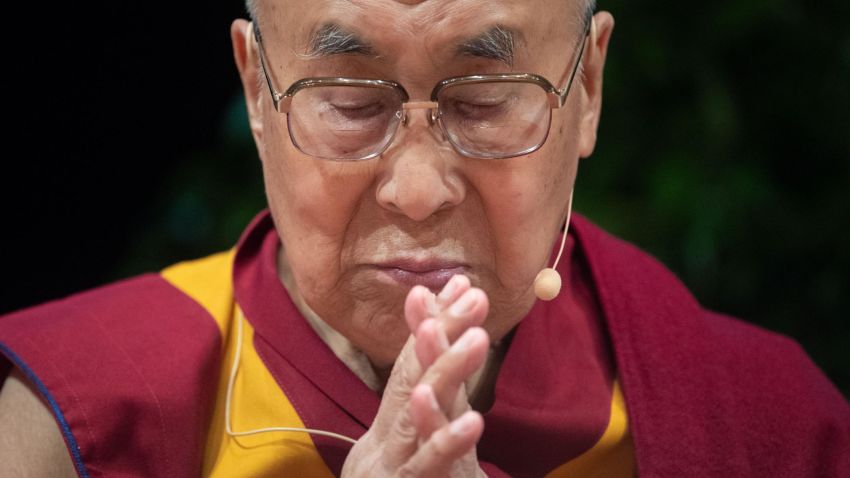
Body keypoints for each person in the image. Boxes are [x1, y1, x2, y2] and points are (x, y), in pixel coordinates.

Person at [1, 0, 848, 476]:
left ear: (586, 88)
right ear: (258, 93)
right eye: (349, 103)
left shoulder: (778, 427)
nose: (414, 193)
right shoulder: (73, 423)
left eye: (484, 101)